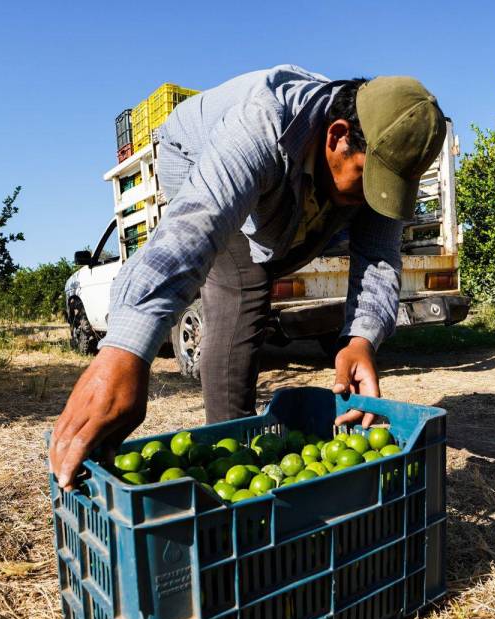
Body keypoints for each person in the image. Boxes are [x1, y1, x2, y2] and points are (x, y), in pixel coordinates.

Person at [50, 65, 446, 491]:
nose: (372, 197)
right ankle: (227, 442)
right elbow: (195, 228)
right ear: (336, 136)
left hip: (289, 181)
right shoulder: (263, 123)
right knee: (244, 285)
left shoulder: (374, 153)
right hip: (190, 155)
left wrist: (360, 339)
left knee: (300, 240)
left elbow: (378, 255)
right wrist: (126, 351)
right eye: (367, 180)